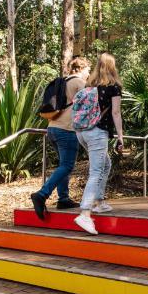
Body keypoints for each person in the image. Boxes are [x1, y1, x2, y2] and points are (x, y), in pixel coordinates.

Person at [31, 57, 89, 219]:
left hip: (52, 129)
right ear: (81, 69)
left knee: (63, 165)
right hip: (67, 130)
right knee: (67, 166)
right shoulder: (79, 83)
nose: (89, 74)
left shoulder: (62, 81)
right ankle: (42, 194)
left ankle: (63, 199)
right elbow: (89, 106)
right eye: (88, 70)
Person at [73, 53, 124, 235]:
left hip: (81, 132)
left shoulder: (90, 84)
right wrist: (120, 137)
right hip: (97, 132)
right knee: (96, 171)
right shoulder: (113, 87)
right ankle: (85, 213)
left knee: (106, 164)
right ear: (112, 66)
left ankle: (99, 202)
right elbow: (116, 113)